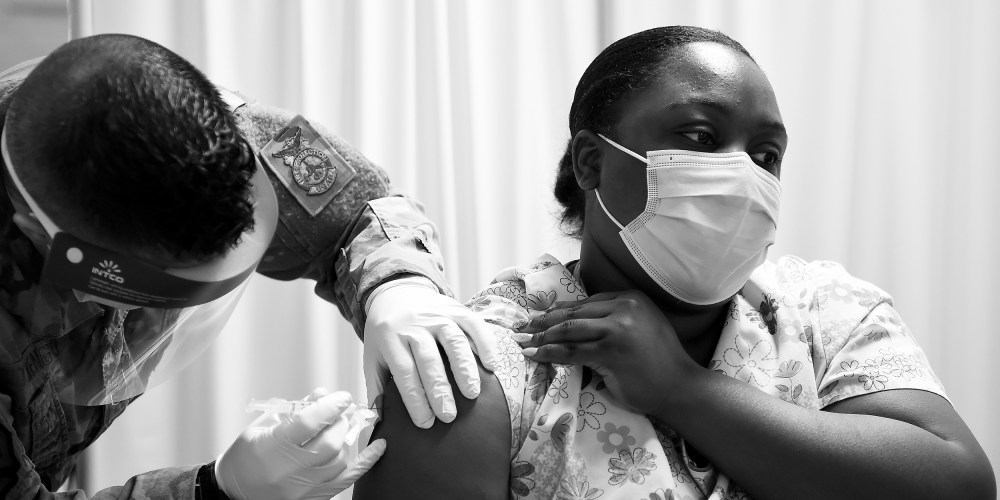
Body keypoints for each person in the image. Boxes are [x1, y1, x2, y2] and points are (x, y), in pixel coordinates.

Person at [354, 26, 996, 499]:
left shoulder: (826, 312)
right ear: (591, 162)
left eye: (767, 154)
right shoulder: (481, 364)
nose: (744, 173)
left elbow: (958, 483)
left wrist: (684, 391)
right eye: (701, 138)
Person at [0, 33, 501, 499]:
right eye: (141, 294)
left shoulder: (195, 132)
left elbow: (356, 211)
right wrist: (214, 488)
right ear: (33, 225)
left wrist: (399, 286)